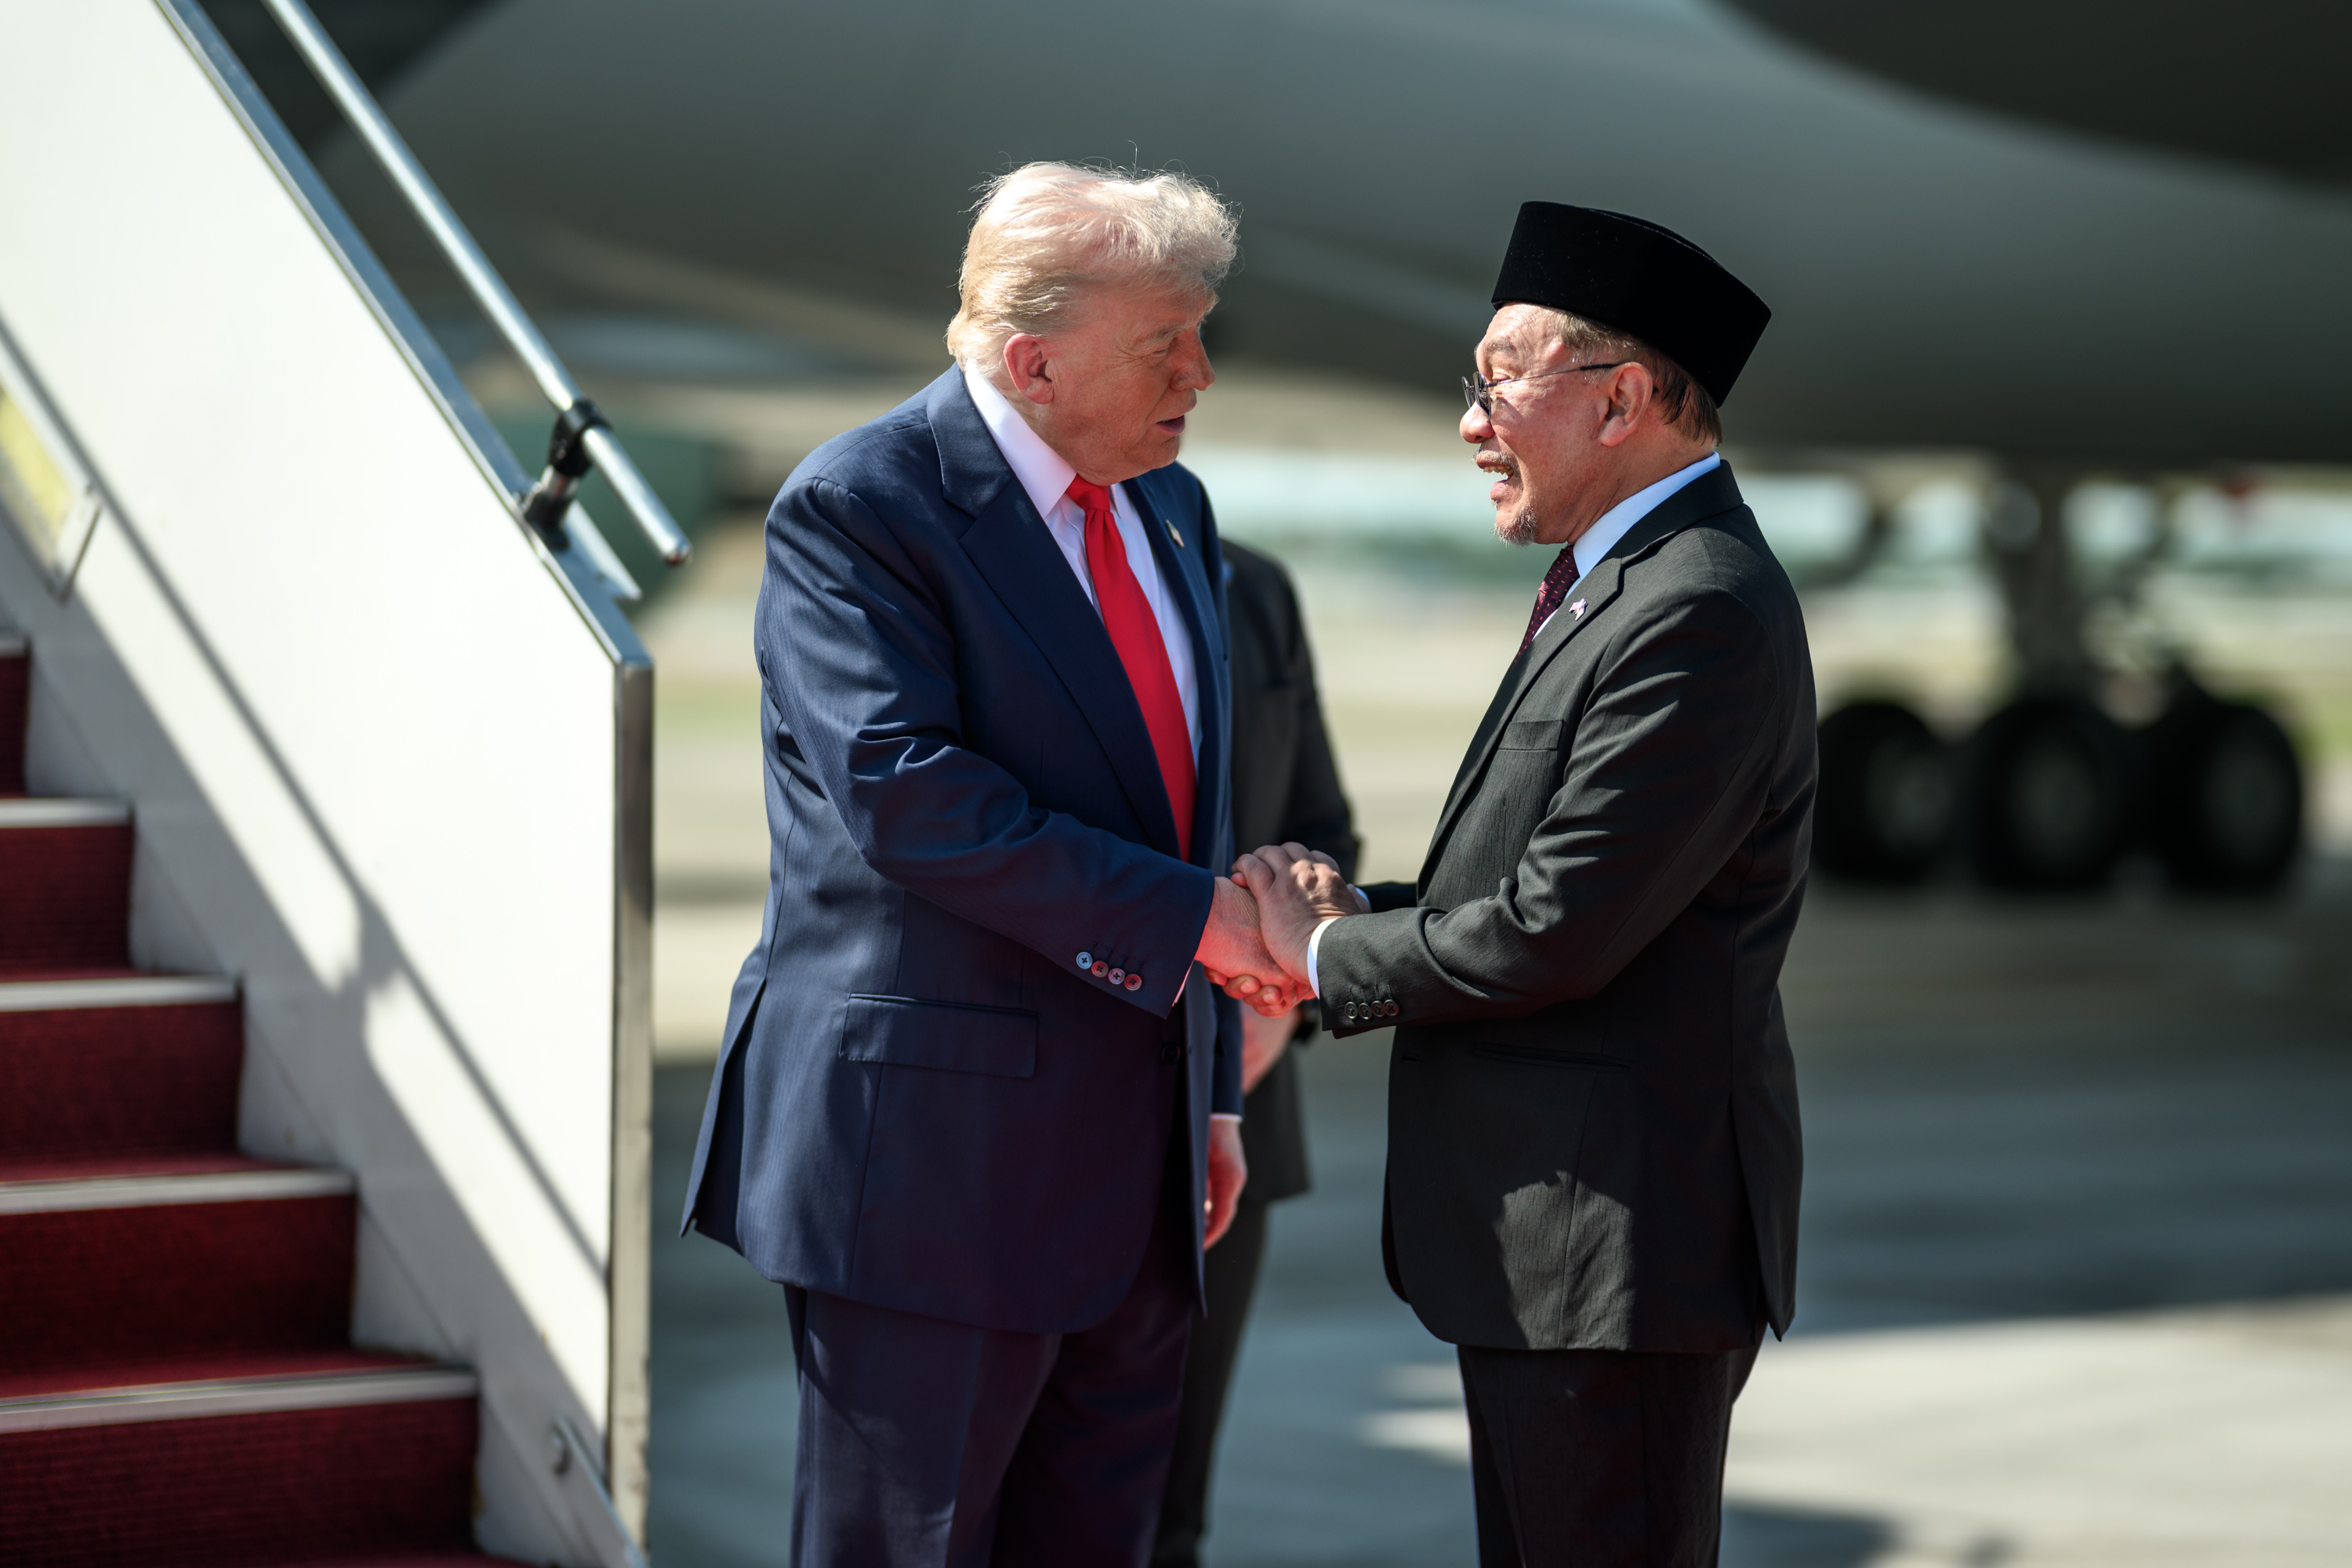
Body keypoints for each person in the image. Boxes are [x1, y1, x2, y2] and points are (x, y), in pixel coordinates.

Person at [680, 163, 1298, 1568]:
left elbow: (1181, 805)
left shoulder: (1175, 508)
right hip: (931, 1178)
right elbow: (913, 805)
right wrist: (1205, 925)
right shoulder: (860, 507)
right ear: (1033, 359)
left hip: (1142, 1173)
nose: (1202, 370)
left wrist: (1211, 1096)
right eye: (1168, 342)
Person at [1232, 202, 1814, 1567]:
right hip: (1559, 1259)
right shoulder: (1618, 585)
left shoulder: (1698, 607)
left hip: (1612, 1261)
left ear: (1620, 402)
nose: (1470, 421)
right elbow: (1529, 879)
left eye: (1499, 379)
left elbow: (1559, 929)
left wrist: (1319, 958)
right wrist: (1352, 914)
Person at [1152, 539, 1358, 1568]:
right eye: (1164, 356)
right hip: (1071, 1111)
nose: (1195, 370)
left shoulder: (1253, 583)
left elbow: (1321, 824)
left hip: (1248, 1096)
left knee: (1173, 1509)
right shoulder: (1029, 569)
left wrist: (1284, 994)